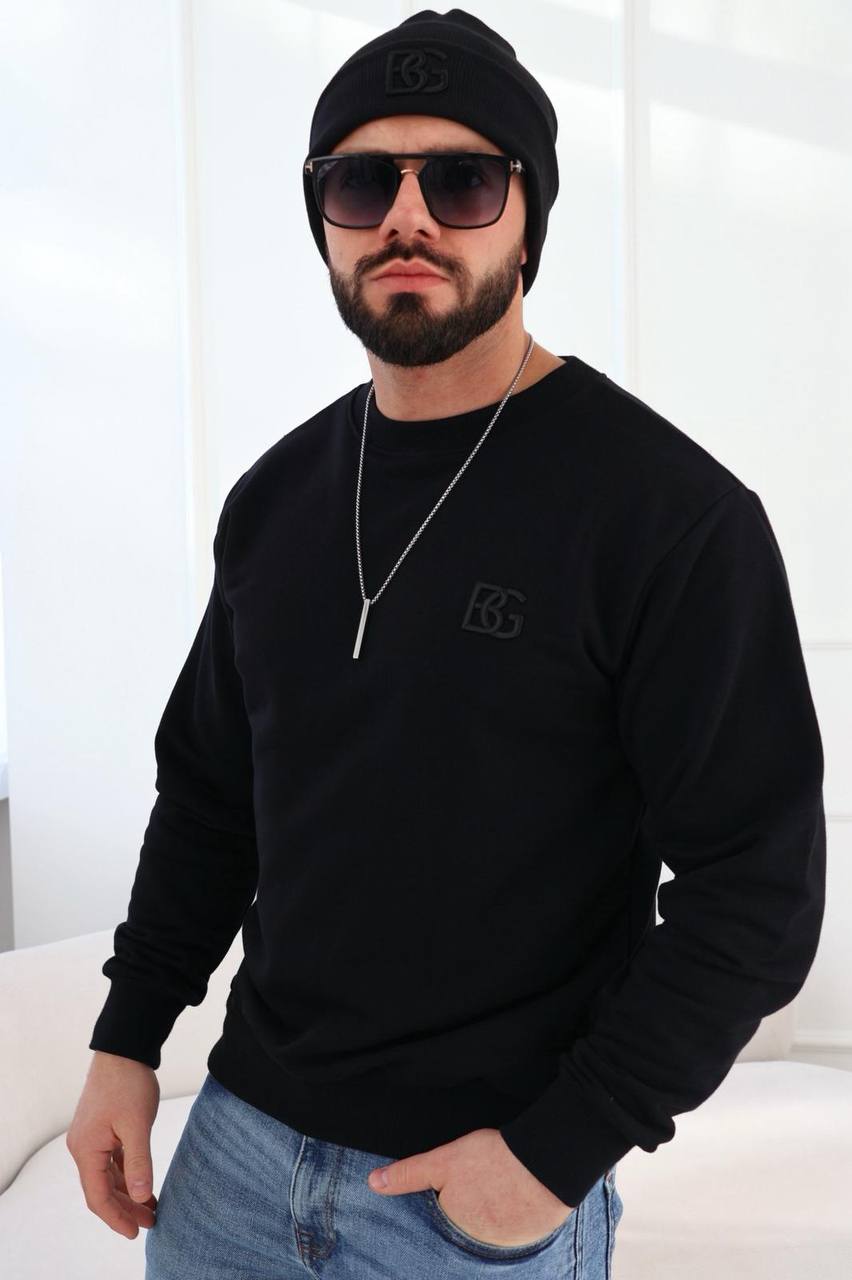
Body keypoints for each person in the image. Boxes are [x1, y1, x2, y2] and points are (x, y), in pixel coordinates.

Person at [65, 9, 826, 1278]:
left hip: (472, 1202)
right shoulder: (276, 498)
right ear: (324, 217)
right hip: (231, 1163)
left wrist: (555, 1153)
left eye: (462, 180)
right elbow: (209, 797)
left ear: (527, 221)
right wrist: (124, 1040)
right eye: (364, 182)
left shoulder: (669, 516)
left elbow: (758, 889)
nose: (406, 217)